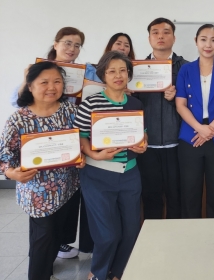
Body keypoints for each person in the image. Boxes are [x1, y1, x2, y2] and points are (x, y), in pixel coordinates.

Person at [0, 62, 84, 280]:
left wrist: (82, 157)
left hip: (68, 187)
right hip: (37, 191)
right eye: (44, 82)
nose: (51, 87)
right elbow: (2, 158)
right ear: (30, 86)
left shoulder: (71, 111)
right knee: (43, 238)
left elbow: (82, 143)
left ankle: (47, 271)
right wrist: (12, 173)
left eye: (57, 82)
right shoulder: (18, 119)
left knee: (56, 235)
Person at [10, 26, 86, 260]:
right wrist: (27, 79)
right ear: (56, 44)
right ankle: (43, 258)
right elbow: (18, 101)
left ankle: (60, 244)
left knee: (68, 200)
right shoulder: (37, 69)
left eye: (77, 45)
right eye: (67, 43)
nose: (72, 48)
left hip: (69, 145)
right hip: (42, 145)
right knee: (43, 215)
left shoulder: (83, 73)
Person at [75, 51, 147, 280]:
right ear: (103, 75)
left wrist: (143, 144)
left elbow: (142, 134)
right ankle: (98, 272)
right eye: (112, 71)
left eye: (123, 70)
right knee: (107, 234)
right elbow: (80, 136)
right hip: (98, 175)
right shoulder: (91, 103)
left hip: (130, 174)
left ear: (129, 74)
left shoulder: (135, 103)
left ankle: (117, 273)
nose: (118, 76)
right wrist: (94, 155)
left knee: (131, 230)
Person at [175, 24, 214, 218]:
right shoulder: (186, 69)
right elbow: (180, 105)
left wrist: (210, 129)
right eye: (203, 39)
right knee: (189, 192)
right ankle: (191, 233)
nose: (208, 45)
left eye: (213, 40)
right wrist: (200, 129)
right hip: (191, 136)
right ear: (196, 41)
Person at [134, 18, 188, 219]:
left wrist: (176, 99)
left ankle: (176, 236)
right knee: (151, 199)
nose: (160, 36)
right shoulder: (137, 69)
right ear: (149, 38)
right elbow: (132, 106)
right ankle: (153, 237)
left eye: (166, 32)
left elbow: (196, 105)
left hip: (178, 144)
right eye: (155, 32)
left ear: (174, 37)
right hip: (148, 145)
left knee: (176, 198)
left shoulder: (187, 67)